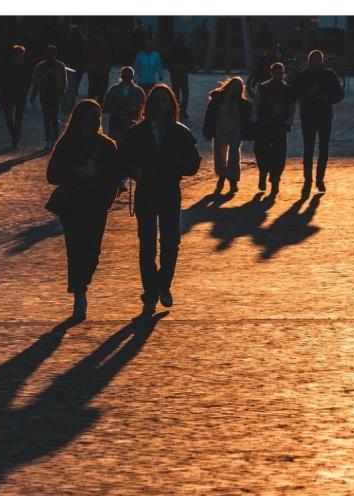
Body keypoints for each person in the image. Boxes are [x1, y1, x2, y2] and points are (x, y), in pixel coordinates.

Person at [118, 85, 201, 315]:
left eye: (165, 101)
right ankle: (151, 289)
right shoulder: (137, 132)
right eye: (157, 101)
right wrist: (138, 173)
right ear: (149, 104)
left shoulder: (181, 132)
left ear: (171, 105)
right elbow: (124, 159)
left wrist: (180, 167)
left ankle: (163, 285)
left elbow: (193, 161)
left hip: (169, 191)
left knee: (171, 242)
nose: (161, 105)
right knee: (147, 243)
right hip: (146, 192)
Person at [46, 99, 120, 320]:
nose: (96, 120)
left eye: (98, 116)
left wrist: (101, 184)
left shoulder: (107, 146)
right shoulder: (67, 144)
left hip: (97, 204)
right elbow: (52, 175)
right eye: (91, 115)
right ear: (80, 118)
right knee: (75, 248)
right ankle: (79, 292)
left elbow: (115, 177)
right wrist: (75, 172)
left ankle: (82, 283)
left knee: (93, 252)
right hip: (73, 204)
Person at [292, 49, 344, 194]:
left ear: (321, 61)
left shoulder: (329, 75)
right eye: (312, 60)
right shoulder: (303, 76)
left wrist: (327, 98)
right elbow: (294, 93)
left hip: (324, 116)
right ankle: (308, 180)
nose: (314, 63)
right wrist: (307, 93)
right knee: (309, 149)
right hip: (309, 116)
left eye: (316, 60)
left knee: (323, 149)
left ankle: (319, 179)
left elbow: (339, 94)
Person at [202, 76, 251, 194]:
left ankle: (233, 181)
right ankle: (221, 176)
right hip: (220, 128)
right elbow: (209, 115)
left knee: (234, 155)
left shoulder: (241, 102)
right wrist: (208, 130)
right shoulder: (218, 98)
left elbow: (247, 117)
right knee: (219, 155)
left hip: (235, 129)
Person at [254, 62, 295, 194]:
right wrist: (256, 122)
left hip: (279, 126)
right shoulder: (262, 88)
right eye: (277, 73)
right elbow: (256, 105)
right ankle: (263, 173)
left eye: (281, 73)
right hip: (264, 124)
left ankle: (275, 179)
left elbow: (291, 108)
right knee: (261, 152)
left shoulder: (288, 90)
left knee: (280, 154)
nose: (280, 76)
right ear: (272, 73)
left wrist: (288, 123)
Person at [30, 45, 67, 150]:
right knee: (47, 118)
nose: (50, 55)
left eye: (52, 53)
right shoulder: (41, 66)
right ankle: (49, 139)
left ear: (55, 54)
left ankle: (53, 139)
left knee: (53, 117)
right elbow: (35, 81)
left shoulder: (59, 66)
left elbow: (64, 80)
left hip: (55, 94)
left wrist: (61, 91)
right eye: (49, 53)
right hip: (45, 94)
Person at [102, 66, 146, 141]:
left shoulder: (139, 91)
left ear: (132, 77)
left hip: (132, 125)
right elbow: (106, 106)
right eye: (124, 76)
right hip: (116, 125)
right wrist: (116, 111)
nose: (127, 78)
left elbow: (144, 108)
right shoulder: (113, 89)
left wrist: (133, 111)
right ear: (121, 76)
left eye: (129, 76)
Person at [0, 44, 31, 149]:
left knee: (18, 118)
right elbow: (3, 81)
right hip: (9, 95)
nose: (22, 57)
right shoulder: (8, 66)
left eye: (22, 55)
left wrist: (25, 90)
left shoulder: (25, 67)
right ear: (15, 55)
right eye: (21, 55)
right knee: (8, 118)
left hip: (20, 96)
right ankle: (15, 134)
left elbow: (28, 81)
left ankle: (15, 140)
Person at [167, 34, 194, 120]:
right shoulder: (186, 48)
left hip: (176, 72)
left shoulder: (173, 48)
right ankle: (181, 111)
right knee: (184, 93)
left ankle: (178, 111)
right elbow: (191, 59)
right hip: (181, 71)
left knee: (177, 93)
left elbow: (168, 59)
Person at [86, 28, 112, 104]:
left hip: (93, 70)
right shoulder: (105, 44)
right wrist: (107, 67)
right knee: (101, 89)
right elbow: (109, 57)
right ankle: (99, 104)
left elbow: (87, 56)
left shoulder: (91, 44)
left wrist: (88, 66)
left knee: (92, 87)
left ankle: (90, 103)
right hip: (101, 70)